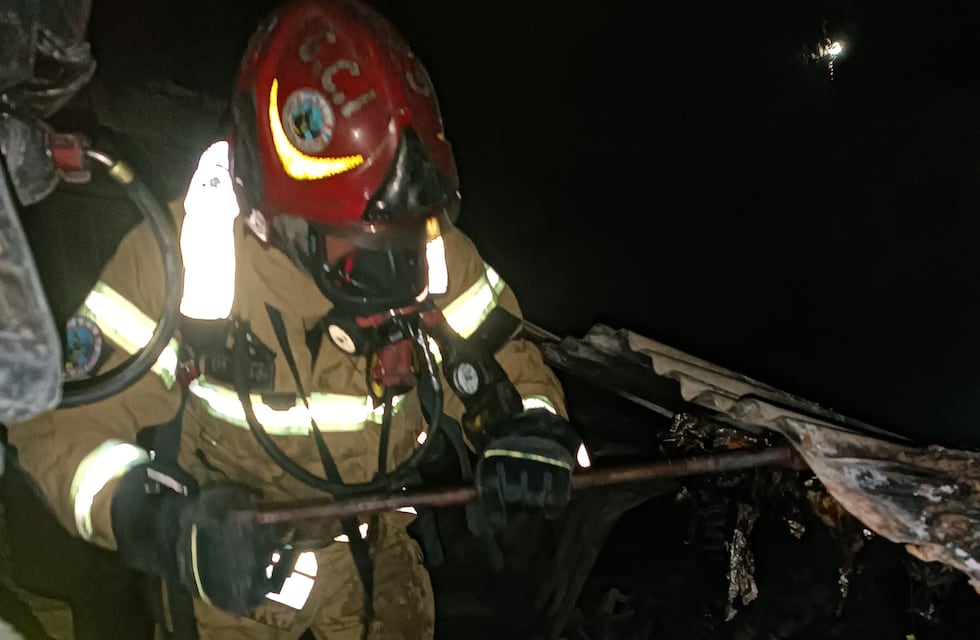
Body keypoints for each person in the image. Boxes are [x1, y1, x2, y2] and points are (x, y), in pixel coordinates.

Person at [5, 0, 583, 638]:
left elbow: (515, 367)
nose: (397, 273)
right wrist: (154, 522)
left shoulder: (433, 254)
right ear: (275, 220)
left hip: (374, 561)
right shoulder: (181, 257)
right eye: (362, 253)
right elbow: (58, 431)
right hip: (229, 571)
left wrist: (532, 429)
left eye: (406, 239)